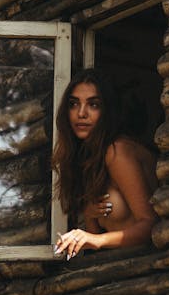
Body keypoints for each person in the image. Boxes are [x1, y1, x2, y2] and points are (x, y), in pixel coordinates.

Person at [52, 68, 158, 259]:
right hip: (116, 275)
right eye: (74, 104)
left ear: (108, 110)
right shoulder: (88, 158)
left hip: (149, 272)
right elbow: (96, 241)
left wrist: (96, 240)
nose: (81, 113)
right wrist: (90, 216)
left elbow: (151, 225)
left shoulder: (116, 151)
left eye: (93, 104)